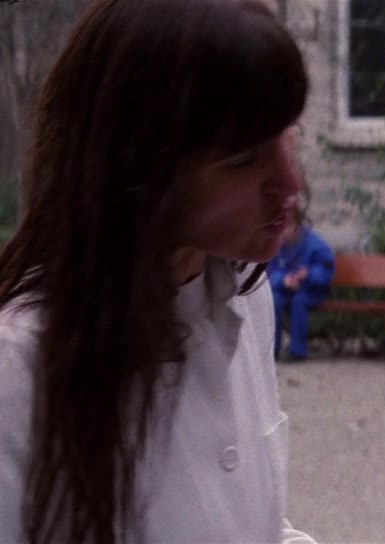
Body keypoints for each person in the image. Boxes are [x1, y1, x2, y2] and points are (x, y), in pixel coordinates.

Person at [0, 1, 314, 542]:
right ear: (141, 168)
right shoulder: (19, 371)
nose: (291, 183)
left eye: (288, 135)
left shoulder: (243, 295)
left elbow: (254, 525)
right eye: (244, 160)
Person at [270, 211, 335, 362]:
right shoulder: (276, 245)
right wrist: (284, 280)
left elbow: (326, 272)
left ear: (297, 226)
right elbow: (269, 271)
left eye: (287, 226)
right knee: (274, 300)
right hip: (285, 289)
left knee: (299, 302)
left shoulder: (317, 245)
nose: (283, 231)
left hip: (311, 290)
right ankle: (272, 351)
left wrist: (309, 274)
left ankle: (297, 351)